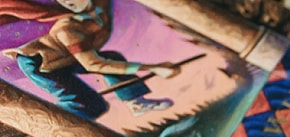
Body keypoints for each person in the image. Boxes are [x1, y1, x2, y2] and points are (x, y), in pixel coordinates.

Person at [3, 0, 182, 120]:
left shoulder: (98, 8)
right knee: (88, 104)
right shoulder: (68, 29)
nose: (69, 2)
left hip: (65, 58)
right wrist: (154, 67)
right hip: (40, 64)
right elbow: (94, 63)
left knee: (112, 58)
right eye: (63, 1)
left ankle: (135, 102)